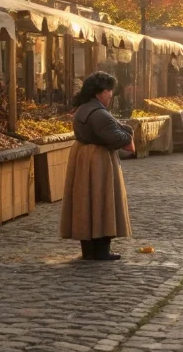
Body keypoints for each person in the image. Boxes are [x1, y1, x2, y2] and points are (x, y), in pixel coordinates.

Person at [60, 71, 133, 261]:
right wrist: (128, 132)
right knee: (101, 200)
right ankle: (101, 250)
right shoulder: (100, 114)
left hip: (83, 156)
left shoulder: (83, 108)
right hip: (98, 159)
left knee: (85, 202)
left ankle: (88, 250)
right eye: (109, 90)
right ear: (100, 91)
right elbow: (117, 138)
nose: (111, 95)